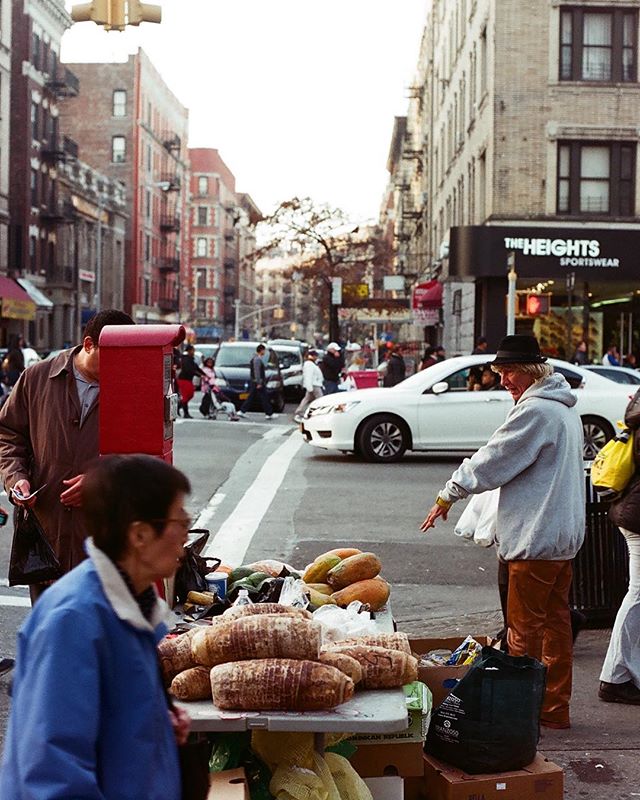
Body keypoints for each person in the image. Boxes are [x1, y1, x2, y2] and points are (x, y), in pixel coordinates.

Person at [0, 454, 191, 799]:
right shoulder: (72, 621)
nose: (185, 534)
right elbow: (51, 775)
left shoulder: (136, 610)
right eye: (179, 520)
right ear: (140, 535)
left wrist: (159, 725)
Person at [420, 335, 585, 729]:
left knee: (523, 634)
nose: (504, 380)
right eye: (501, 372)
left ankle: (517, 716)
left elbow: (492, 459)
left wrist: (448, 495)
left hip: (535, 540)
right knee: (555, 628)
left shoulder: (536, 412)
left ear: (530, 372)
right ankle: (553, 709)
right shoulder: (563, 411)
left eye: (509, 372)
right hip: (560, 541)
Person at [0, 309, 135, 604]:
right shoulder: (37, 378)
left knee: (95, 632)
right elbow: (9, 435)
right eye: (112, 355)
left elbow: (143, 456)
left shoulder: (131, 390)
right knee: (49, 628)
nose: (120, 364)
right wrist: (16, 479)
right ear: (89, 344)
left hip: (102, 536)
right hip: (46, 533)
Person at [599, 388, 640, 705]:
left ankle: (622, 673)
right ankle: (614, 677)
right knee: (638, 594)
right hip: (637, 520)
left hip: (631, 513)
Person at [237, 343, 278, 419]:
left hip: (256, 381)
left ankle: (243, 411)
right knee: (263, 397)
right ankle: (269, 413)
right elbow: (257, 372)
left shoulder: (255, 358)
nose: (264, 352)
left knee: (255, 397)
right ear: (261, 350)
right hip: (257, 382)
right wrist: (258, 382)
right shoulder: (257, 359)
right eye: (264, 350)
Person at [294, 349, 324, 423]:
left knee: (307, 398)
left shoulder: (310, 364)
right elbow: (308, 376)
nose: (316, 357)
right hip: (314, 384)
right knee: (320, 399)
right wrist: (309, 386)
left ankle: (299, 411)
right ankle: (321, 412)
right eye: (315, 356)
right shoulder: (309, 364)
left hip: (313, 384)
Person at [176, 344, 204, 418]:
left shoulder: (191, 359)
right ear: (189, 351)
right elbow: (189, 370)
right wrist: (199, 375)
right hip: (183, 379)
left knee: (190, 394)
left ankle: (179, 406)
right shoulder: (185, 359)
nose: (193, 351)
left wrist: (205, 374)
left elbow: (196, 368)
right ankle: (186, 413)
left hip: (188, 379)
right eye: (192, 350)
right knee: (186, 396)